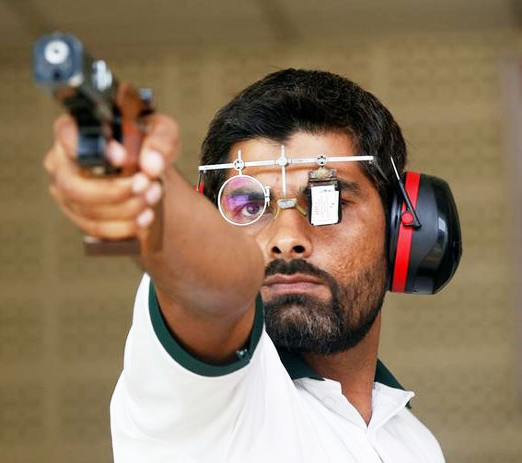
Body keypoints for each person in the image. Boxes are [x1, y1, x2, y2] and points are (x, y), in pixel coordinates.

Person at [43, 69, 445, 462]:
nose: (286, 239)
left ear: (402, 226)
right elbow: (218, 288)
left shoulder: (415, 443)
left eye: (330, 201)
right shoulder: (203, 397)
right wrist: (148, 189)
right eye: (248, 206)